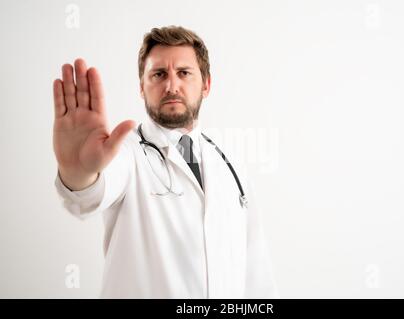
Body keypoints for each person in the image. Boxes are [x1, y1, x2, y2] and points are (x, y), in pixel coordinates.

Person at [53, 25, 278, 298]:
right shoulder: (125, 154)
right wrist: (78, 174)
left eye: (184, 73)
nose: (171, 85)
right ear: (141, 87)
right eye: (159, 74)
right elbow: (89, 194)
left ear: (206, 84)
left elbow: (255, 269)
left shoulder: (230, 164)